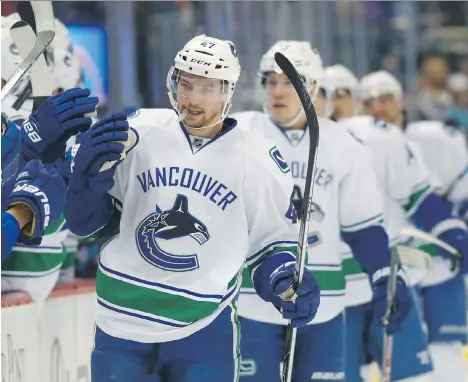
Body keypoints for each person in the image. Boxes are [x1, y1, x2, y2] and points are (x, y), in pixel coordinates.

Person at [65, 34, 321, 382]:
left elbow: (271, 245)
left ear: (227, 91)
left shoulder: (258, 159)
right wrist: (86, 181)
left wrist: (285, 282)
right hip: (120, 323)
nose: (193, 98)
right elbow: (87, 225)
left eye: (207, 88)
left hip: (205, 330)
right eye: (186, 84)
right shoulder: (136, 131)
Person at [232, 41, 411, 382]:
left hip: (325, 307)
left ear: (313, 86)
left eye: (289, 81)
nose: (277, 91)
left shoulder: (344, 144)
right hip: (250, 302)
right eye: (271, 81)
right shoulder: (239, 133)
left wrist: (386, 278)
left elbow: (364, 229)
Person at [365, 70, 468, 381]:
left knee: (447, 352)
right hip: (390, 269)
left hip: (439, 262)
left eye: (385, 99)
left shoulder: (436, 138)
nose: (379, 107)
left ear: (400, 102)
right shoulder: (359, 145)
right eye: (370, 102)